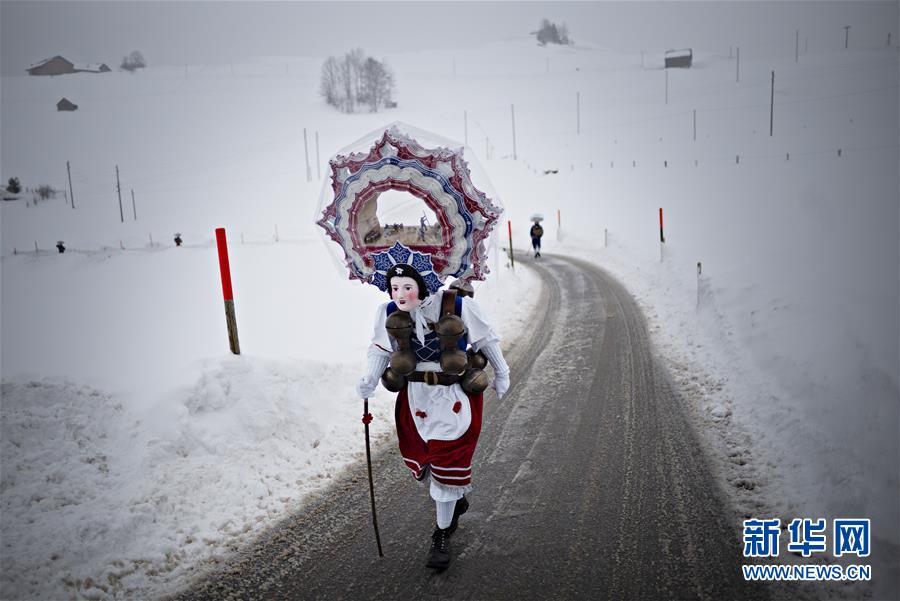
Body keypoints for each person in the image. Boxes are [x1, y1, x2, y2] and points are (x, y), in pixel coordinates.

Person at [356, 263, 510, 570]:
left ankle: (441, 534)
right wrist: (370, 379)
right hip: (415, 397)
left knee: (447, 462)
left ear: (424, 283)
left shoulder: (458, 305)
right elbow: (380, 349)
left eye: (406, 287)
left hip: (454, 397)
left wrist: (502, 371)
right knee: (425, 465)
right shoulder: (387, 311)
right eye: (394, 287)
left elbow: (486, 340)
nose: (399, 295)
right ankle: (454, 501)